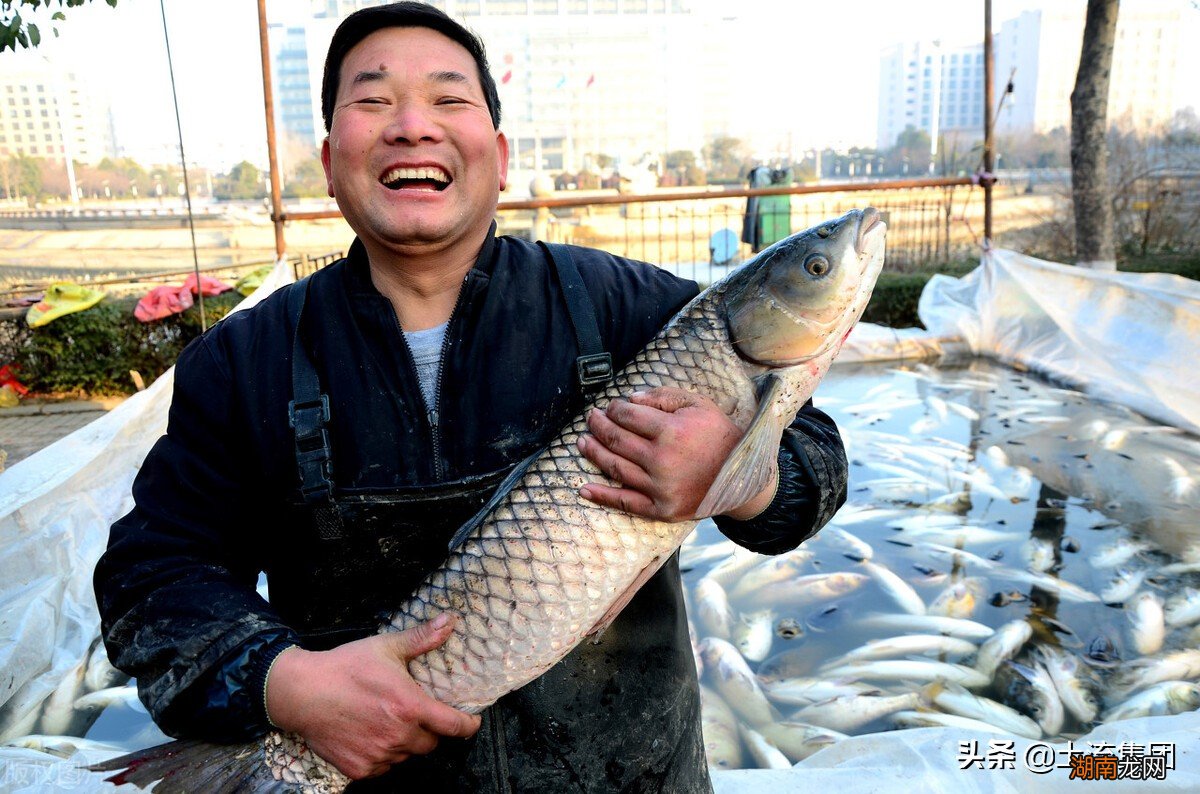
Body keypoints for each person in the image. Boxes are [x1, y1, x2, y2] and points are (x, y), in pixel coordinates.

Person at [94, 3, 848, 790]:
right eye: (373, 101)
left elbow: (817, 458)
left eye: (450, 100)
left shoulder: (628, 309)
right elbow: (152, 575)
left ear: (499, 152)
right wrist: (283, 683)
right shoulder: (243, 361)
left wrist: (746, 476)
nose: (412, 126)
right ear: (328, 157)